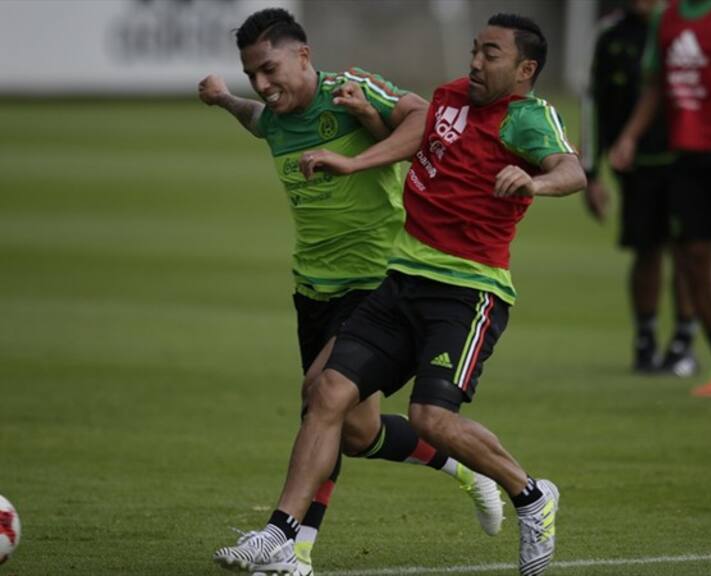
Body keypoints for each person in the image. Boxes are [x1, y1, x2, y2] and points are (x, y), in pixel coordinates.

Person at [212, 13, 585, 576]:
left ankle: (531, 495)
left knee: (432, 418)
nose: (475, 62)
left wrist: (533, 180)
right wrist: (366, 119)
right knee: (328, 393)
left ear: (525, 69)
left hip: (467, 291)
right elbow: (418, 141)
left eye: (491, 54)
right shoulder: (451, 96)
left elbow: (573, 170)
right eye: (475, 50)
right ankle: (280, 536)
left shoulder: (528, 120)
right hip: (402, 279)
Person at [610, 0, 711, 396]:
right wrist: (629, 136)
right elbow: (654, 85)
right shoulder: (667, 17)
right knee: (694, 261)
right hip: (687, 157)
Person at [582, 0, 698, 375]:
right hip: (635, 166)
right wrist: (591, 172)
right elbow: (593, 102)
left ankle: (684, 341)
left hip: (690, 161)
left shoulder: (687, 25)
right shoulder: (611, 34)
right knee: (646, 251)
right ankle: (645, 338)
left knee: (688, 252)